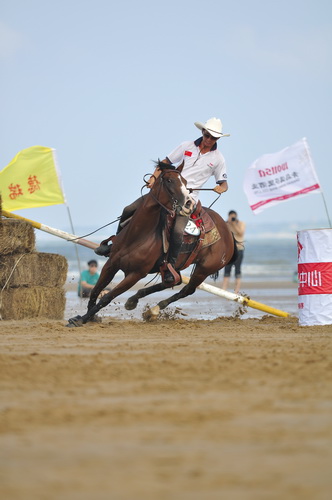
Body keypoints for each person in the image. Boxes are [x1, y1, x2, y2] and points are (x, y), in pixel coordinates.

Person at [95, 117, 230, 285]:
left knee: (178, 231)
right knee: (129, 209)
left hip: (187, 199)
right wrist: (153, 178)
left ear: (217, 139)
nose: (209, 139)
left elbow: (224, 183)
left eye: (214, 138)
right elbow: (165, 162)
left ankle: (170, 267)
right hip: (166, 191)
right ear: (203, 132)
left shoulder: (218, 159)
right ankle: (115, 245)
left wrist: (221, 188)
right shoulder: (187, 146)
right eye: (207, 135)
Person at [221, 211, 246, 294]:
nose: (233, 219)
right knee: (227, 270)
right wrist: (228, 223)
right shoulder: (227, 224)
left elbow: (241, 233)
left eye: (234, 217)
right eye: (231, 217)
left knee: (238, 270)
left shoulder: (241, 223)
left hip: (239, 249)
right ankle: (224, 289)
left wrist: (234, 224)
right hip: (229, 250)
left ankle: (236, 291)